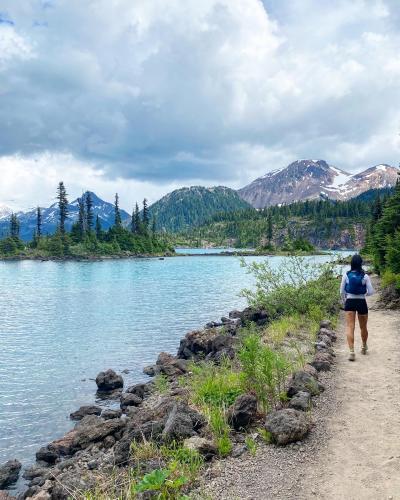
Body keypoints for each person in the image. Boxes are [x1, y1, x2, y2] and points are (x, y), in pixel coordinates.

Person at [340, 254, 374, 361]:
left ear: (351, 263)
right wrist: (363, 295)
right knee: (363, 327)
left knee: (350, 327)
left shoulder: (346, 275)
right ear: (360, 263)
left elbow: (341, 291)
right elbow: (371, 292)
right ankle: (364, 346)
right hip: (361, 302)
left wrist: (346, 298)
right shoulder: (365, 276)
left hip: (350, 301)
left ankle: (351, 352)